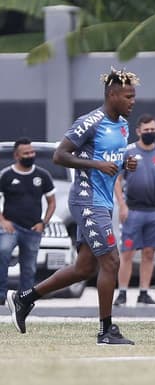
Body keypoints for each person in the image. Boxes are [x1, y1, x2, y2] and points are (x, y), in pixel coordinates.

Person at [7, 68, 138, 345]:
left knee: (83, 268)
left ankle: (25, 298)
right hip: (86, 199)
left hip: (104, 201)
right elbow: (59, 155)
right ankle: (106, 331)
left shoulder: (124, 125)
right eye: (128, 96)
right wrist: (97, 165)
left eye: (133, 96)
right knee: (112, 261)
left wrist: (125, 164)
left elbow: (111, 156)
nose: (132, 101)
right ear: (112, 95)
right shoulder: (90, 122)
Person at [113, 114, 155, 306]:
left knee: (149, 253)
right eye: (146, 130)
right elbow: (117, 179)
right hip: (133, 210)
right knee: (128, 252)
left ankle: (144, 293)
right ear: (138, 131)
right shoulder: (128, 152)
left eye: (152, 130)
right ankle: (122, 292)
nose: (150, 133)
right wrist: (122, 205)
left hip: (154, 211)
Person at [0, 138, 56, 306]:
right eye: (26, 153)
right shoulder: (6, 175)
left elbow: (52, 202)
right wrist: (3, 221)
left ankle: (24, 299)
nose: (30, 155)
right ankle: (1, 295)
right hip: (11, 227)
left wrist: (43, 223)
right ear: (17, 156)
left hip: (33, 228)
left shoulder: (42, 175)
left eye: (32, 152)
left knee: (29, 266)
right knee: (2, 253)